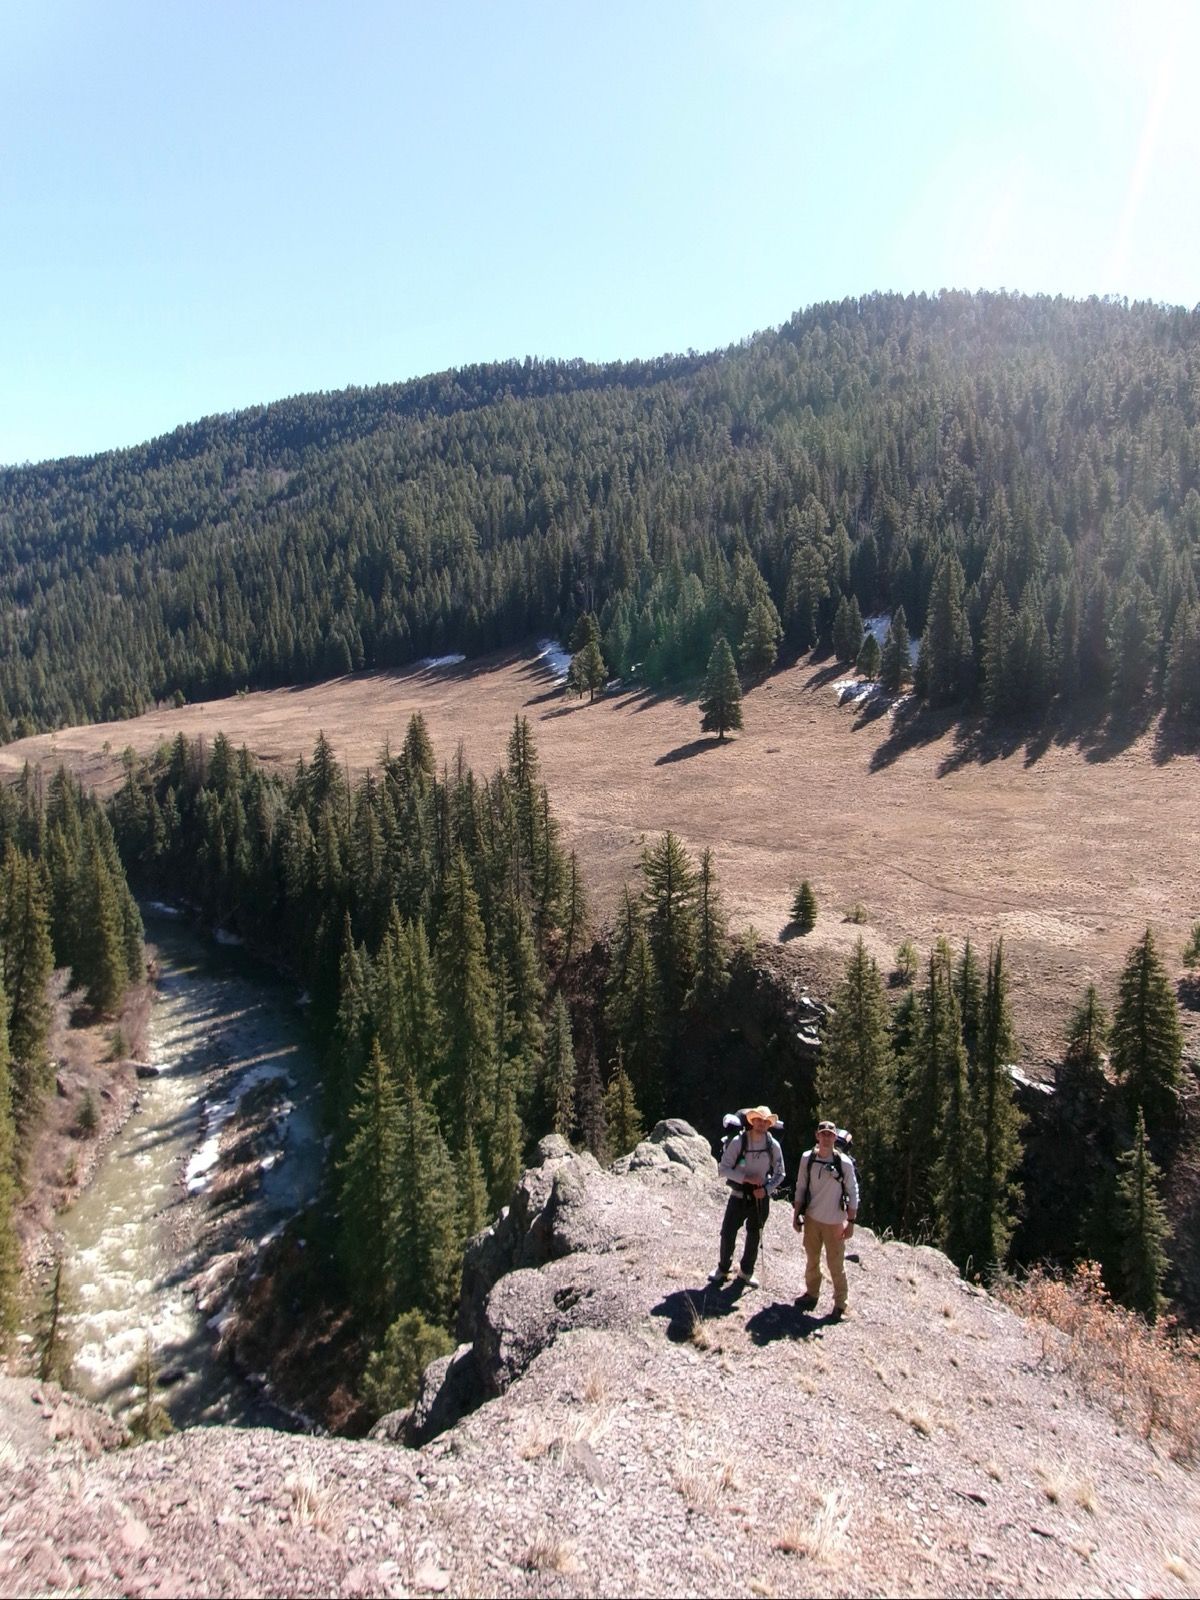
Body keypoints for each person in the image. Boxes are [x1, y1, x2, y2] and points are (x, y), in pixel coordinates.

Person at [709, 1105, 785, 1289]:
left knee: (754, 1234)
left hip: (760, 1195)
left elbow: (780, 1173)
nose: (761, 1124)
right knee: (728, 1232)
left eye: (765, 1121)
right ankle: (723, 1269)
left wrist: (766, 1189)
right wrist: (746, 1179)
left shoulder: (772, 1145)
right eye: (758, 1120)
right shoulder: (739, 1141)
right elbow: (723, 1169)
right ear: (752, 1121)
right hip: (739, 1194)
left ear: (769, 1124)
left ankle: (746, 1272)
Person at [792, 1119, 859, 1319]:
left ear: (835, 1136)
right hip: (812, 1218)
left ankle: (841, 1304)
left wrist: (851, 1223)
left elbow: (853, 1192)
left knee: (836, 1264)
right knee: (812, 1259)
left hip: (834, 1221)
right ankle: (812, 1294)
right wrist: (796, 1215)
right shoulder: (808, 1158)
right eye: (824, 1133)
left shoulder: (844, 1163)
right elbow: (801, 1186)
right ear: (817, 1135)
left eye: (830, 1134)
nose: (827, 1137)